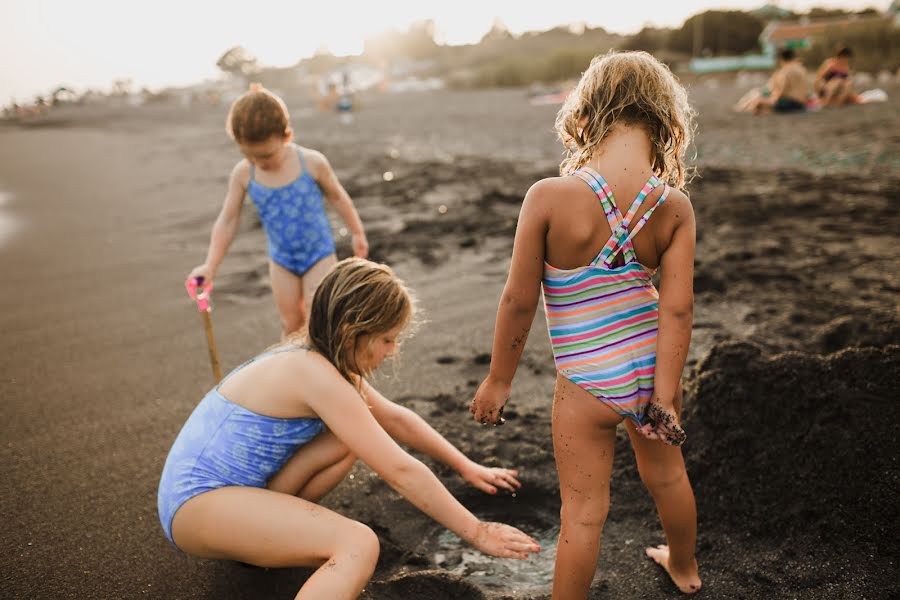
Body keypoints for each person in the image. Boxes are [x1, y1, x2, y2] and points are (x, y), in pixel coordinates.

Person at [160, 257, 540, 598]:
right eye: (387, 339)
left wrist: (466, 466)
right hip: (198, 505)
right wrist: (476, 531)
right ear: (350, 331)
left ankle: (259, 542)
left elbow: (394, 418)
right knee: (356, 543)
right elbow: (400, 469)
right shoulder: (312, 375)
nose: (393, 350)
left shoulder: (318, 360)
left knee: (348, 438)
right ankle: (256, 539)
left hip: (229, 496)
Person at [470, 50, 701, 596]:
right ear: (666, 124)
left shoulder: (549, 198)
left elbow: (519, 300)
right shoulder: (674, 207)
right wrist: (664, 396)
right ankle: (686, 569)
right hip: (650, 371)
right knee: (668, 477)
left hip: (586, 383)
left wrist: (500, 379)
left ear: (582, 118)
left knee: (582, 512)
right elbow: (677, 309)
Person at [187, 84, 369, 339]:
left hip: (319, 253)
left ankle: (326, 373)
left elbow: (339, 197)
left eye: (266, 154)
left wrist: (357, 232)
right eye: (250, 156)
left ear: (287, 136)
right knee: (291, 324)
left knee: (320, 321)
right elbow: (228, 221)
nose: (260, 162)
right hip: (281, 260)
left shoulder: (312, 162)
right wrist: (210, 266)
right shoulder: (243, 173)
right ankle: (292, 374)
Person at [736, 48, 810, 114]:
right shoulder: (802, 69)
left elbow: (782, 90)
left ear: (781, 59)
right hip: (802, 103)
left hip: (791, 103)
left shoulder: (786, 71)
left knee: (757, 102)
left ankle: (741, 108)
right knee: (760, 98)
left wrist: (772, 99)